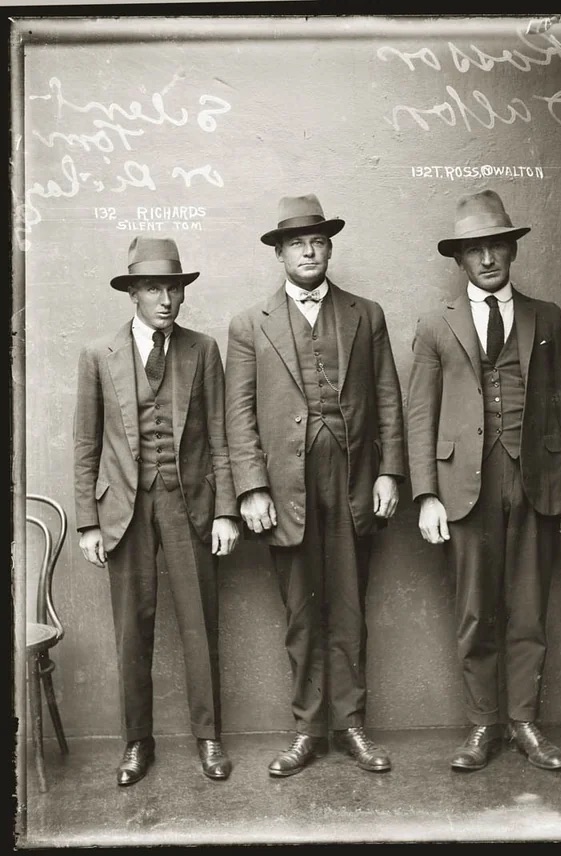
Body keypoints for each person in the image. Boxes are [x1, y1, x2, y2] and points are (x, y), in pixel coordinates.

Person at [407, 189, 561, 772]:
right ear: (460, 259)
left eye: (497, 247)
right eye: (474, 250)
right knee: (474, 609)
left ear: (513, 251)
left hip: (537, 478)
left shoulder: (546, 316)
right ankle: (484, 724)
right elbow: (420, 414)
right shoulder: (435, 324)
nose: (487, 259)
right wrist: (426, 494)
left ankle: (525, 723)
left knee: (529, 608)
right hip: (464, 486)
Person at [225, 193, 405, 777]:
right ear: (279, 254)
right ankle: (307, 729)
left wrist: (390, 471)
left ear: (329, 250)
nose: (309, 251)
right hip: (286, 489)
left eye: (319, 242)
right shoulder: (249, 324)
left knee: (349, 608)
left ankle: (351, 726)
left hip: (354, 481)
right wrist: (251, 487)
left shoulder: (365, 313)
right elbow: (239, 414)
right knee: (302, 614)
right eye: (297, 244)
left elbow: (388, 398)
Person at [74, 236, 240, 786]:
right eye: (153, 289)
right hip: (123, 508)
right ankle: (136, 742)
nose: (166, 300)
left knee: (200, 625)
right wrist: (88, 522)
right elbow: (86, 444)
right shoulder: (99, 355)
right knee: (132, 630)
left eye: (173, 288)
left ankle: (209, 738)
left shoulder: (202, 350)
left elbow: (220, 436)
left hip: (189, 503)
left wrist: (226, 511)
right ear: (133, 294)